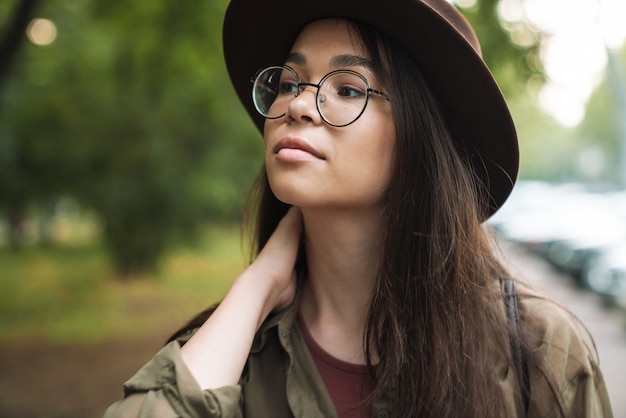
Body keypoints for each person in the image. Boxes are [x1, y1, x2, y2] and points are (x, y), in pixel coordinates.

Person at [104, 0, 614, 416]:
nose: (298, 105)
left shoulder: (538, 353)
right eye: (288, 82)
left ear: (421, 140)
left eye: (347, 88)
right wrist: (256, 288)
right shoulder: (231, 355)